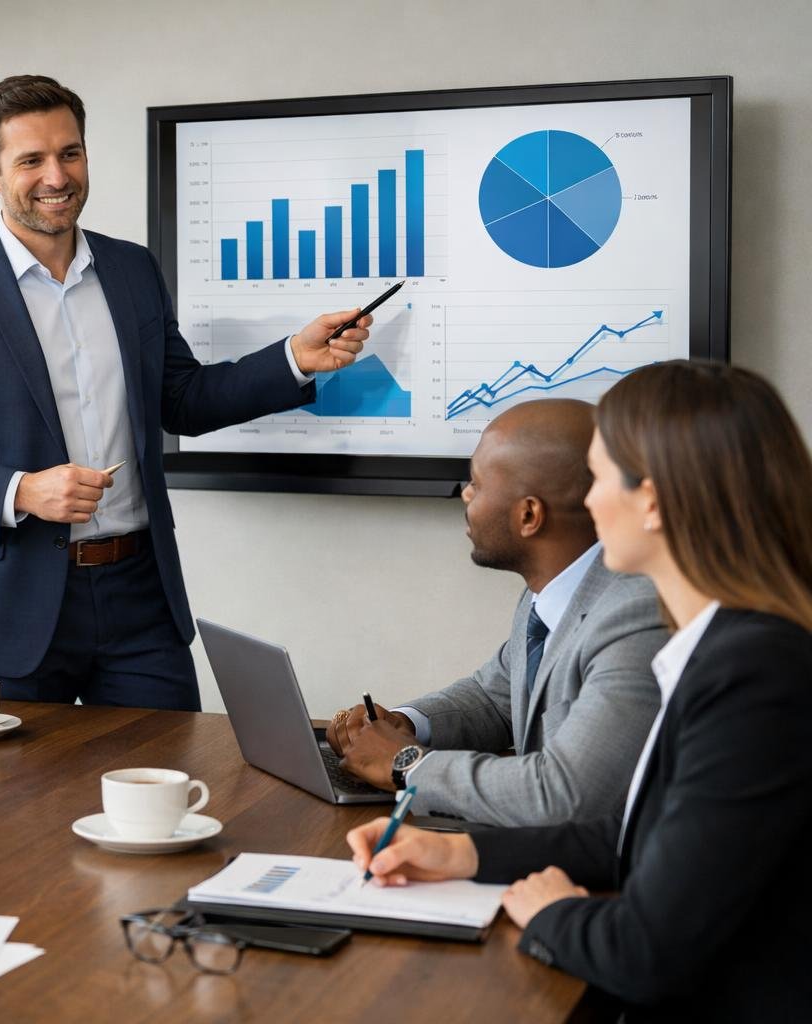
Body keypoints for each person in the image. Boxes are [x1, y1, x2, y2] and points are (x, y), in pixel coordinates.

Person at [0, 74, 373, 710]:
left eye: (70, 153)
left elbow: (182, 399)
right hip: (6, 610)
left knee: (174, 789)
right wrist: (21, 490)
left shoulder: (132, 269)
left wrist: (292, 359)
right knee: (14, 810)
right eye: (31, 160)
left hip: (140, 595)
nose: (57, 175)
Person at [344, 361, 812, 1020]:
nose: (588, 503)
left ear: (650, 501)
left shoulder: (754, 676)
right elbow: (643, 831)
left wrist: (554, 913)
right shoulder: (729, 648)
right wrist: (463, 851)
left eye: (601, 478)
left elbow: (648, 952)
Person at [324, 399, 665, 826]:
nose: (465, 494)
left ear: (529, 515)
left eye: (477, 484)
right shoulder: (550, 591)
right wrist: (402, 723)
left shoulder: (637, 615)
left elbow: (563, 793)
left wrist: (407, 764)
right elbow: (495, 696)